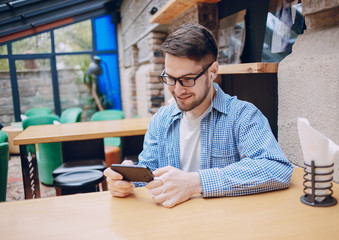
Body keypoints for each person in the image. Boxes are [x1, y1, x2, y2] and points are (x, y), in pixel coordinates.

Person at [104, 23, 293, 208]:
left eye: (187, 79)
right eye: (170, 78)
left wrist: (195, 182)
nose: (177, 90)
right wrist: (126, 181)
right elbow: (149, 173)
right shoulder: (161, 120)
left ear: (212, 72)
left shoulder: (243, 115)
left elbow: (277, 168)